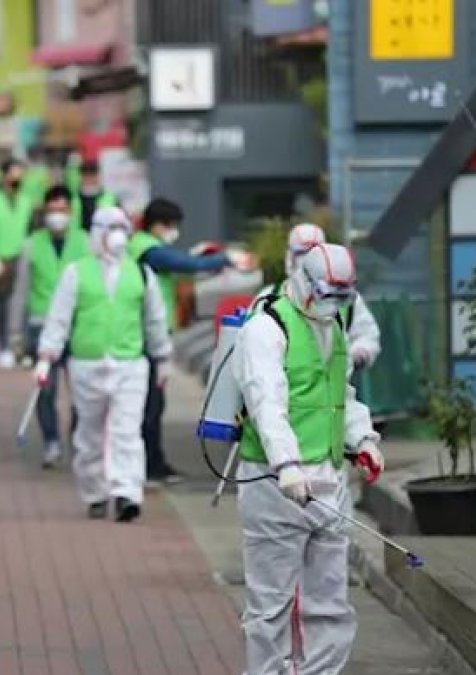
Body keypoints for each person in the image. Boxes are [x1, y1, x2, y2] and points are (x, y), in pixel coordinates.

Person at [233, 242, 384, 674]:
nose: (332, 304)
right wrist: (286, 464)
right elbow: (266, 403)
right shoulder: (266, 328)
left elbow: (340, 394)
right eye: (326, 294)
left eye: (341, 297)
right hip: (275, 484)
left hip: (329, 479)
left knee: (330, 603)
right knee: (271, 604)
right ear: (303, 280)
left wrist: (363, 439)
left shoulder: (332, 326)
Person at [36, 206, 173, 522]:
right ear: (97, 233)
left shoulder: (141, 274)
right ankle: (95, 492)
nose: (117, 236)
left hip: (130, 364)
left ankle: (127, 493)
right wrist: (47, 355)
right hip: (87, 363)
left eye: (121, 228)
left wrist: (163, 356)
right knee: (90, 433)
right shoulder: (76, 273)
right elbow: (59, 318)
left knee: (127, 431)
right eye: (110, 229)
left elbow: (155, 319)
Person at [131, 197, 249, 485]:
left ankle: (154, 463)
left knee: (154, 404)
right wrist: (225, 259)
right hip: (144, 338)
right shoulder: (146, 249)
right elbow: (185, 264)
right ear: (158, 224)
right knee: (149, 406)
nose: (174, 232)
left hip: (153, 336)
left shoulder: (148, 246)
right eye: (171, 226)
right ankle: (148, 466)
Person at [9, 186, 89, 468]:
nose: (58, 216)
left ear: (71, 212)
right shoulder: (32, 245)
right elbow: (21, 291)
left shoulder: (85, 242)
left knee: (81, 391)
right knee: (45, 389)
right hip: (41, 326)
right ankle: (51, 442)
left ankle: (78, 440)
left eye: (62, 210)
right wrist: (16, 334)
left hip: (78, 326)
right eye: (53, 210)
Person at [250, 223, 382, 374]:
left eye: (314, 252)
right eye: (301, 253)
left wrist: (356, 356)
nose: (307, 259)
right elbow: (251, 344)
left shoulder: (345, 297)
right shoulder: (268, 298)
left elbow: (367, 335)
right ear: (289, 257)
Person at [0, 159, 34, 370]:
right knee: (2, 305)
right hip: (0, 256)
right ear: (4, 176)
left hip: (22, 256)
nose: (17, 177)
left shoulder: (26, 200)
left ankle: (21, 348)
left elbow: (32, 228)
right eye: (13, 173)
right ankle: (3, 347)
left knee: (23, 305)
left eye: (19, 173)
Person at [71, 161, 118, 232]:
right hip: (77, 237)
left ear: (98, 176)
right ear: (80, 176)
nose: (89, 178)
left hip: (103, 236)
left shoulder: (110, 198)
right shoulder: (73, 199)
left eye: (92, 175)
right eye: (85, 175)